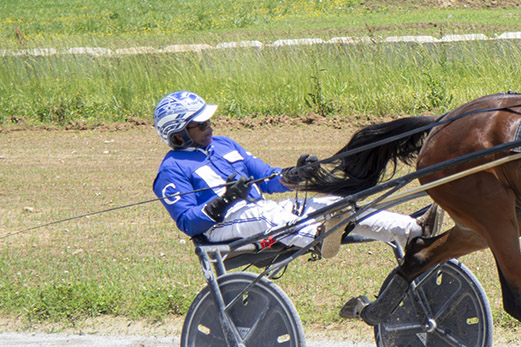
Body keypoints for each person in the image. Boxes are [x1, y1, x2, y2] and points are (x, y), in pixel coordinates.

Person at [152, 92, 441, 259]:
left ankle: (411, 229)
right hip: (222, 229)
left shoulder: (225, 145)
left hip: (261, 212)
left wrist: (297, 174)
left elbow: (268, 178)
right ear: (179, 135)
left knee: (335, 204)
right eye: (200, 125)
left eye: (209, 121)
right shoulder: (171, 170)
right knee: (269, 218)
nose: (209, 127)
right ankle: (317, 235)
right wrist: (226, 199)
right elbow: (188, 223)